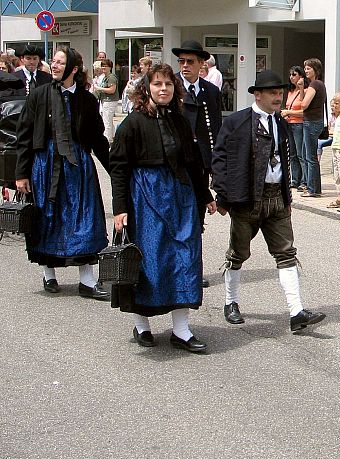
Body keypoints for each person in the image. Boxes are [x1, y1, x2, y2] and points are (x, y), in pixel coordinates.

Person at [109, 63, 216, 353]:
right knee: (149, 260)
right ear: (147, 88)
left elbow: (193, 162)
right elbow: (118, 168)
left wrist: (204, 195)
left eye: (168, 84)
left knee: (185, 258)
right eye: (158, 84)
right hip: (146, 198)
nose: (164, 89)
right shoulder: (132, 124)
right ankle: (142, 325)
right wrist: (120, 208)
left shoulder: (180, 121)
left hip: (180, 197)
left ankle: (181, 330)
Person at [211, 69, 326, 333]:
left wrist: (287, 197)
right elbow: (219, 159)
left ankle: (296, 312)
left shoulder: (282, 123)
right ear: (258, 94)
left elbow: (285, 162)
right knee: (238, 254)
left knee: (286, 253)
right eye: (273, 93)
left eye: (280, 92)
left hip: (276, 199)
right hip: (246, 199)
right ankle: (231, 302)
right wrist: (224, 195)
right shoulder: (237, 122)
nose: (278, 97)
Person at [14, 46, 110, 300]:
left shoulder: (87, 100)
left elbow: (98, 139)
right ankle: (49, 275)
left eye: (59, 62)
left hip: (78, 167)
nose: (53, 66)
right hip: (46, 166)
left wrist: (117, 171)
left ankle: (87, 281)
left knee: (84, 219)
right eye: (53, 62)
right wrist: (21, 173)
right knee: (47, 218)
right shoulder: (39, 94)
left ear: (73, 69)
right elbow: (23, 136)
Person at [172, 39, 223, 288]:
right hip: (175, 163)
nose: (184, 66)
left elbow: (216, 130)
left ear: (202, 64)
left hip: (200, 163)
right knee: (174, 216)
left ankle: (192, 266)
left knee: (196, 218)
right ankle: (173, 265)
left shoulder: (211, 92)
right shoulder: (169, 86)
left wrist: (216, 167)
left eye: (190, 61)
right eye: (181, 61)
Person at [298, 57, 327, 198]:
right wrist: (301, 88)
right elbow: (302, 101)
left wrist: (304, 90)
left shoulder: (315, 84)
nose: (306, 70)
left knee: (310, 157)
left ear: (316, 70)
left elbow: (303, 105)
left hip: (312, 122)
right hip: (313, 122)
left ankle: (313, 189)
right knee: (308, 155)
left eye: (308, 68)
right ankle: (313, 187)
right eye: (305, 68)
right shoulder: (316, 84)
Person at [281, 65, 306, 191]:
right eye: (290, 75)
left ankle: (304, 180)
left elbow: (304, 110)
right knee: (292, 154)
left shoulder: (304, 90)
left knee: (301, 153)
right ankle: (295, 179)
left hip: (299, 124)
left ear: (301, 76)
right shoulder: (290, 91)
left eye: (294, 74)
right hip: (289, 124)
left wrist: (288, 112)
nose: (291, 77)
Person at [94, 58, 119, 144]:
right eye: (102, 66)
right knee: (108, 120)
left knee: (106, 121)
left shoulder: (111, 77)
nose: (103, 68)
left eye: (105, 66)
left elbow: (112, 90)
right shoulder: (105, 77)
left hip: (110, 101)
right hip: (105, 101)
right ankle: (113, 137)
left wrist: (99, 88)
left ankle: (108, 140)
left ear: (110, 67)